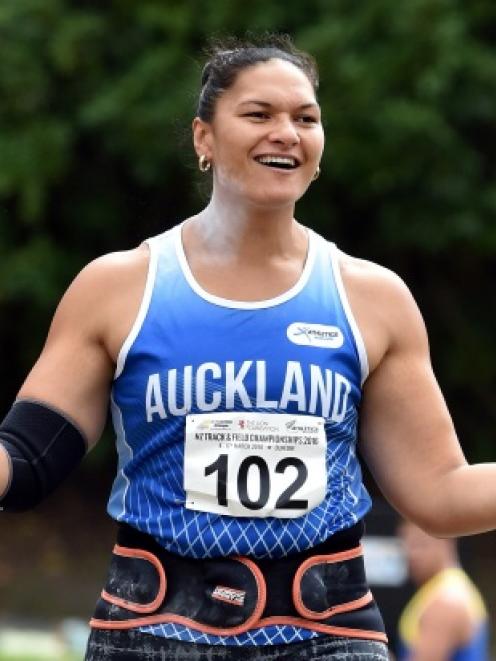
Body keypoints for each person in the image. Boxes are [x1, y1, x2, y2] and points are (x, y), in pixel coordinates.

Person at [0, 34, 495, 660]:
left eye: (305, 118)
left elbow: (441, 494)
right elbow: (28, 457)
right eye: (259, 114)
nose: (285, 132)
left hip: (326, 637)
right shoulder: (119, 286)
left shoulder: (373, 298)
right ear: (204, 138)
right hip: (153, 633)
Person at [397, 521, 489, 660]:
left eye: (420, 544)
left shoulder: (445, 601)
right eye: (407, 545)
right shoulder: (443, 589)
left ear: (447, 540)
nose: (412, 554)